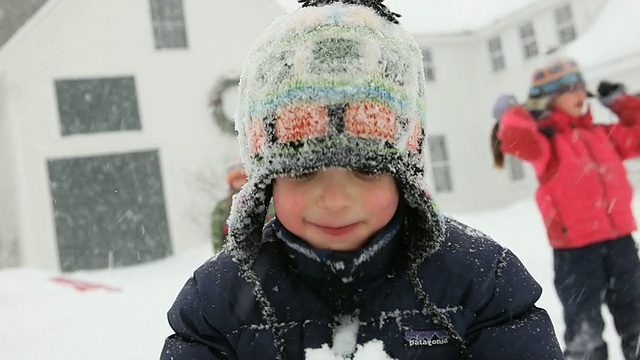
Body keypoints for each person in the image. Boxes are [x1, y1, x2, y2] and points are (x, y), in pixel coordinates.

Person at [161, 1, 563, 359]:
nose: (335, 199)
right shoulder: (215, 306)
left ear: (403, 175)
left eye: (366, 169)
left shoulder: (481, 284)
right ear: (267, 181)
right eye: (303, 171)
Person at [491, 56, 640, 360]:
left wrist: (621, 102)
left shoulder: (601, 134)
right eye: (568, 88)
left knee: (637, 315)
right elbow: (515, 138)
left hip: (620, 243)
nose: (579, 93)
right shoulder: (547, 142)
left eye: (580, 85)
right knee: (584, 329)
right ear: (549, 97)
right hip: (576, 252)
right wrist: (513, 112)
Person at [211, 162, 249, 253]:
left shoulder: (261, 199)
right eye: (236, 179)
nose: (240, 182)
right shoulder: (222, 207)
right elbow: (217, 234)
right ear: (231, 182)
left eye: (242, 178)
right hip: (232, 254)